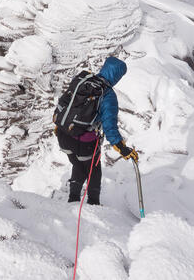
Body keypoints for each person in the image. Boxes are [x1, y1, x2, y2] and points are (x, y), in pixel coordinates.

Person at [55, 56, 138, 205]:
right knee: (93, 170)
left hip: (62, 134)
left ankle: (73, 199)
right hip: (84, 142)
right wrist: (121, 148)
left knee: (78, 165)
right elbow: (109, 126)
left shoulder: (83, 80)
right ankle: (93, 204)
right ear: (117, 75)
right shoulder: (108, 95)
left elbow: (66, 101)